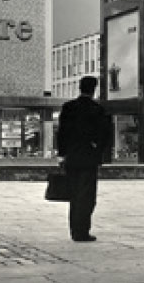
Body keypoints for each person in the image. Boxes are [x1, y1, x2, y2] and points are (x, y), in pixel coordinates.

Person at [57, 75, 111, 242]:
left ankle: (74, 230)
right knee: (86, 197)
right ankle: (82, 231)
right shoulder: (97, 110)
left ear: (79, 88)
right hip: (89, 157)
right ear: (93, 89)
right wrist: (98, 151)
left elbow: (61, 133)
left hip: (72, 157)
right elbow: (105, 135)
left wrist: (62, 154)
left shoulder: (68, 108)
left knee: (74, 195)